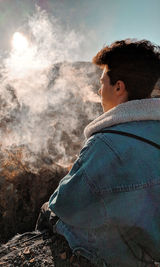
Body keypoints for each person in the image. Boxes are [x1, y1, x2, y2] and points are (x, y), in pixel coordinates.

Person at [36, 39, 160, 266]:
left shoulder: (105, 144)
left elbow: (67, 204)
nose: (98, 89)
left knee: (50, 213)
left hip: (140, 254)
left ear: (119, 87)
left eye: (102, 82)